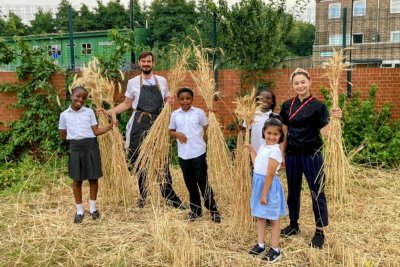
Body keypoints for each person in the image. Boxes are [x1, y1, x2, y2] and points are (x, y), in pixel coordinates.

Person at [100, 51, 185, 209]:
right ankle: (143, 194)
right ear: (139, 63)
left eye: (149, 61)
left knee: (162, 159)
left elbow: (167, 99)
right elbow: (127, 103)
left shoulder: (162, 81)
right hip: (139, 125)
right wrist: (109, 112)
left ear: (153, 63)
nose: (146, 64)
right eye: (144, 61)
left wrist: (169, 100)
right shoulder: (133, 82)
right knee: (140, 160)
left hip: (158, 124)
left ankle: (169, 196)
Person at [279, 68, 342, 249]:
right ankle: (293, 224)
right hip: (292, 155)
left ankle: (320, 231)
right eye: (296, 83)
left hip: (312, 155)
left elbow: (324, 132)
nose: (300, 85)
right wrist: (282, 155)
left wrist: (334, 120)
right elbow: (284, 132)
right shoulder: (287, 105)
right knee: (293, 191)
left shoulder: (318, 106)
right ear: (292, 85)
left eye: (303, 82)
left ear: (309, 82)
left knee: (317, 192)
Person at [59, 86, 115, 224]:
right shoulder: (64, 115)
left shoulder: (89, 112)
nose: (80, 100)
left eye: (84, 98)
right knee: (77, 180)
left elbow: (95, 131)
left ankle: (93, 209)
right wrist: (74, 141)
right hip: (75, 148)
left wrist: (109, 126)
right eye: (78, 96)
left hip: (91, 146)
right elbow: (63, 135)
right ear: (71, 95)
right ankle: (79, 211)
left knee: (93, 178)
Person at [169, 87, 221, 223]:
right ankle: (196, 210)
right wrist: (177, 134)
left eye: (188, 98)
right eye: (182, 99)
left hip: (198, 153)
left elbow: (207, 127)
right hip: (183, 155)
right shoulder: (174, 114)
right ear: (178, 100)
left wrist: (214, 117)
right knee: (190, 183)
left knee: (203, 182)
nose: (185, 101)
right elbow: (170, 131)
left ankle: (213, 209)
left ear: (192, 99)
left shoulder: (199, 113)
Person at [246, 116, 287, 263]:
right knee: (260, 216)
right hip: (259, 184)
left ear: (280, 136)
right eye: (269, 133)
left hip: (268, 187)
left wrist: (264, 194)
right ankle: (261, 244)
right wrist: (252, 151)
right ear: (264, 132)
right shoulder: (264, 147)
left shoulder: (275, 151)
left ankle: (275, 249)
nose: (271, 136)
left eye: (276, 134)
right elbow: (257, 164)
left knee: (273, 218)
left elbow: (270, 174)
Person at [243, 88, 278, 152]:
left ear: (272, 101)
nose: (265, 100)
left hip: (271, 152)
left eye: (268, 98)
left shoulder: (276, 117)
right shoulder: (250, 116)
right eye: (261, 98)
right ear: (257, 100)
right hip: (255, 151)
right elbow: (246, 133)